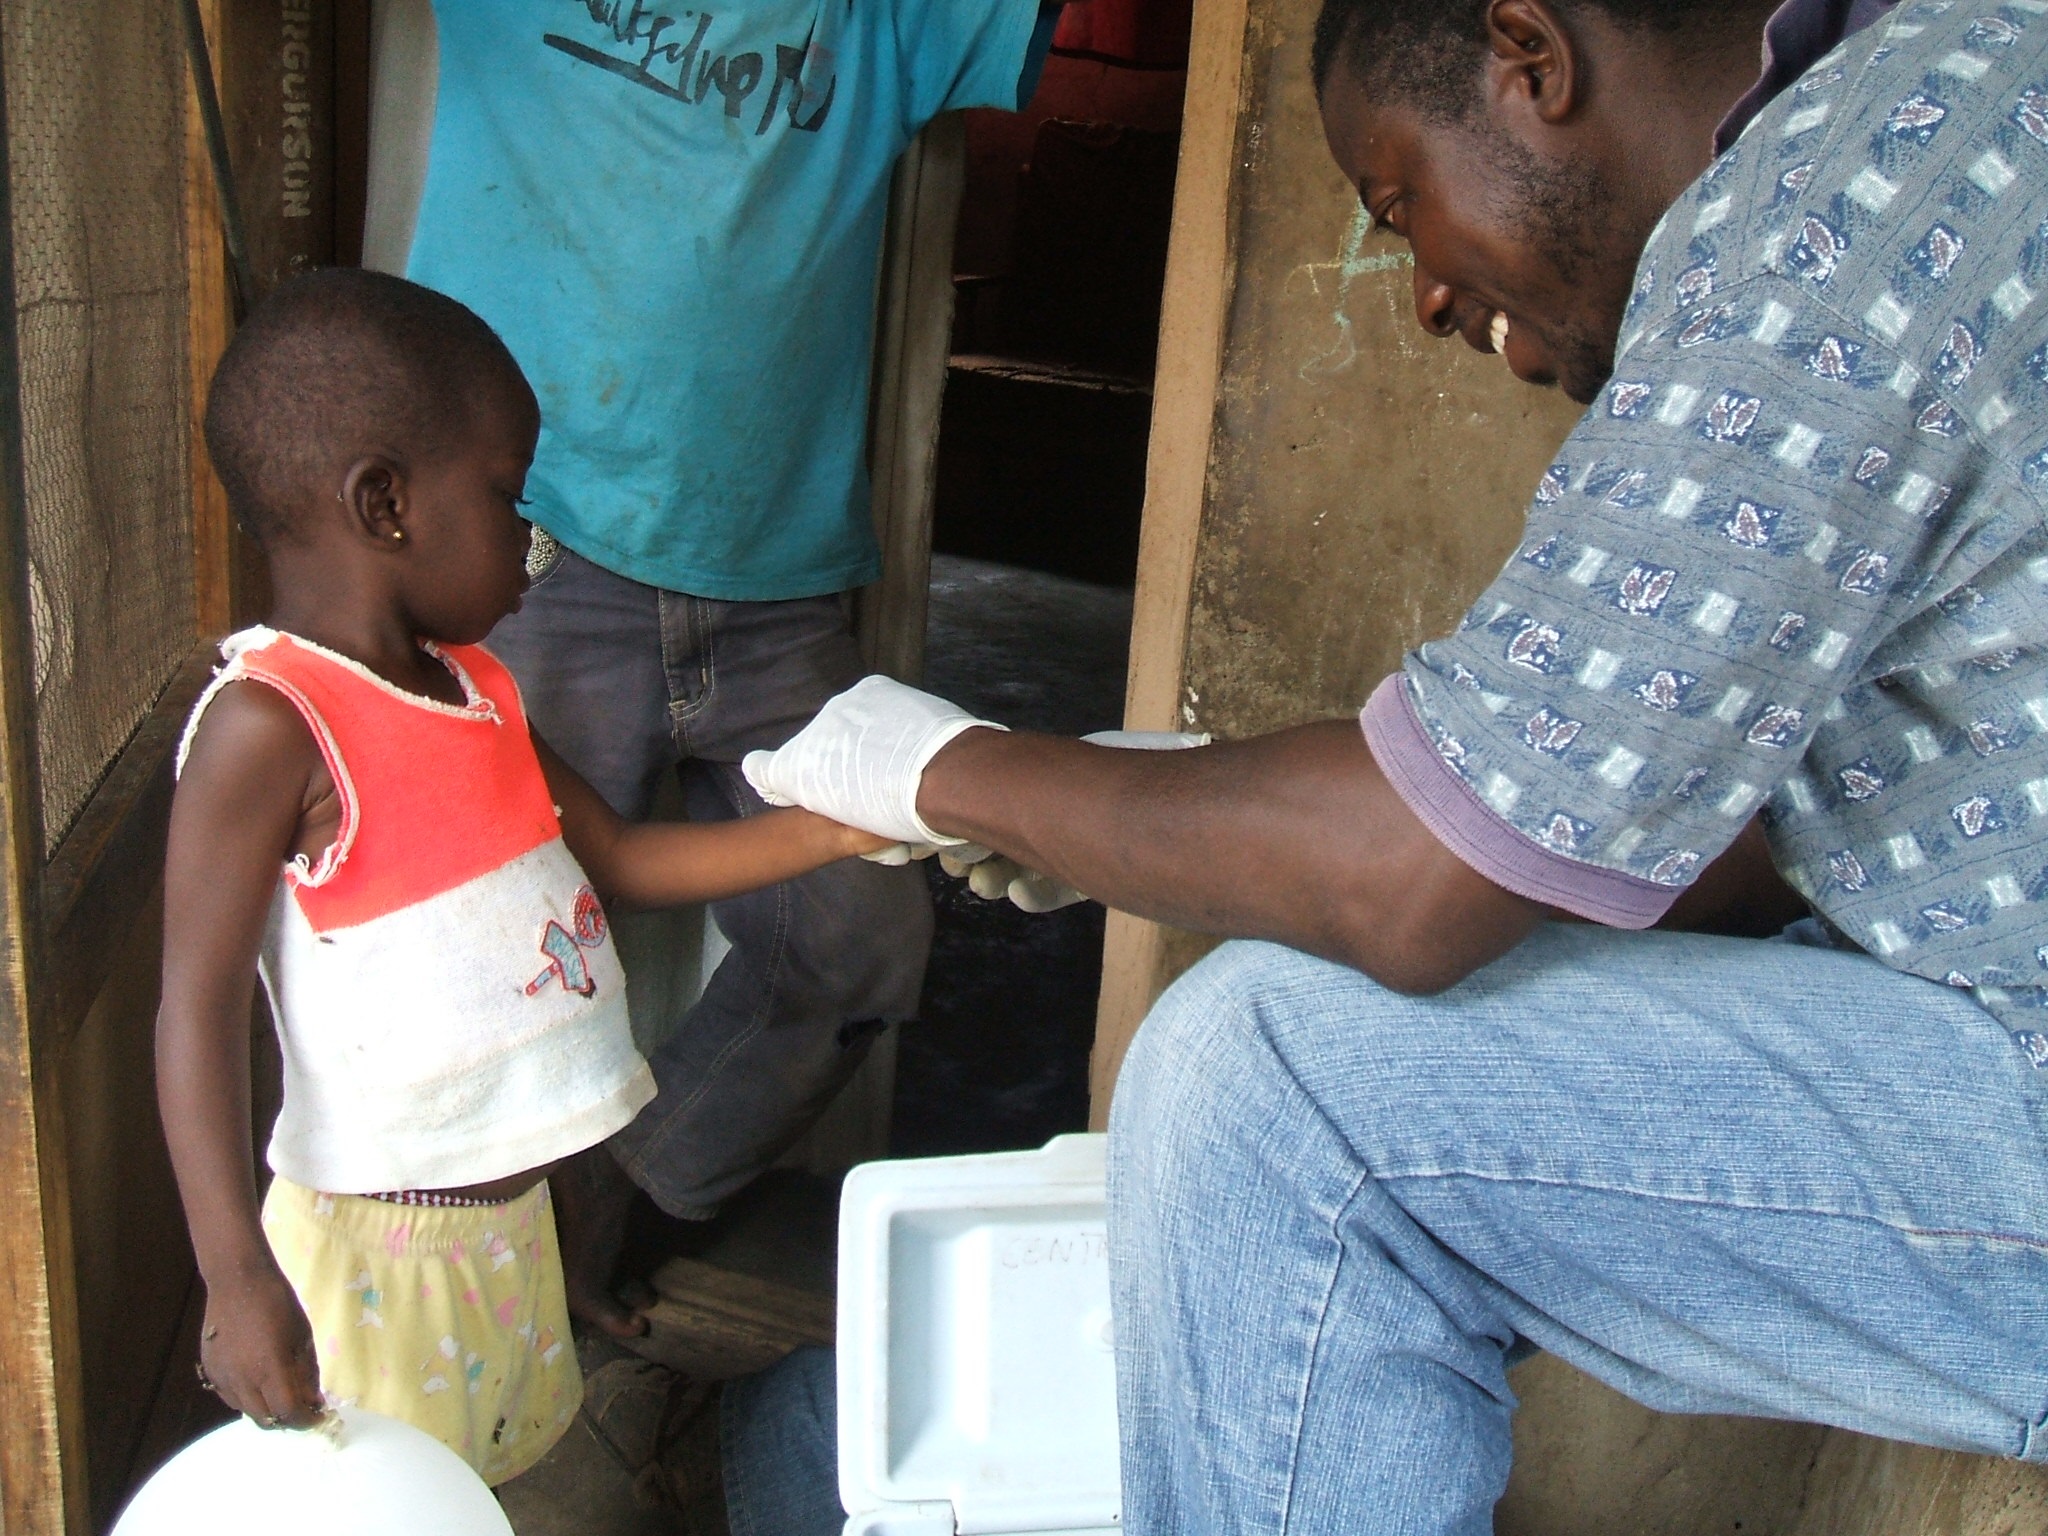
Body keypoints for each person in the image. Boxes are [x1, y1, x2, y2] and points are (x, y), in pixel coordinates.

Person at [737, 0, 2048, 1529]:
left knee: (1273, 1090)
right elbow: (1705, 842)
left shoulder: (1829, 217)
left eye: (1399, 199)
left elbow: (1414, 883)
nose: (1423, 291)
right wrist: (1147, 816)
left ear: (1530, 57)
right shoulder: (1943, 96)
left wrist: (940, 766)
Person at [361, 0, 1061, 1337]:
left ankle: (624, 1201)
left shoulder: (885, 18)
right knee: (485, 964)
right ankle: (475, 1301)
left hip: (779, 594)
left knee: (860, 943)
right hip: (527, 565)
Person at [156, 269, 888, 1484]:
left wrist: (840, 829)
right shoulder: (272, 725)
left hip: (508, 1231)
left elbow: (627, 860)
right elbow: (194, 1010)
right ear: (385, 505)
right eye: (509, 497)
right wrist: (235, 1277)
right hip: (377, 1257)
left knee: (480, 1483)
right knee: (384, 1496)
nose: (534, 546)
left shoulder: (478, 690)